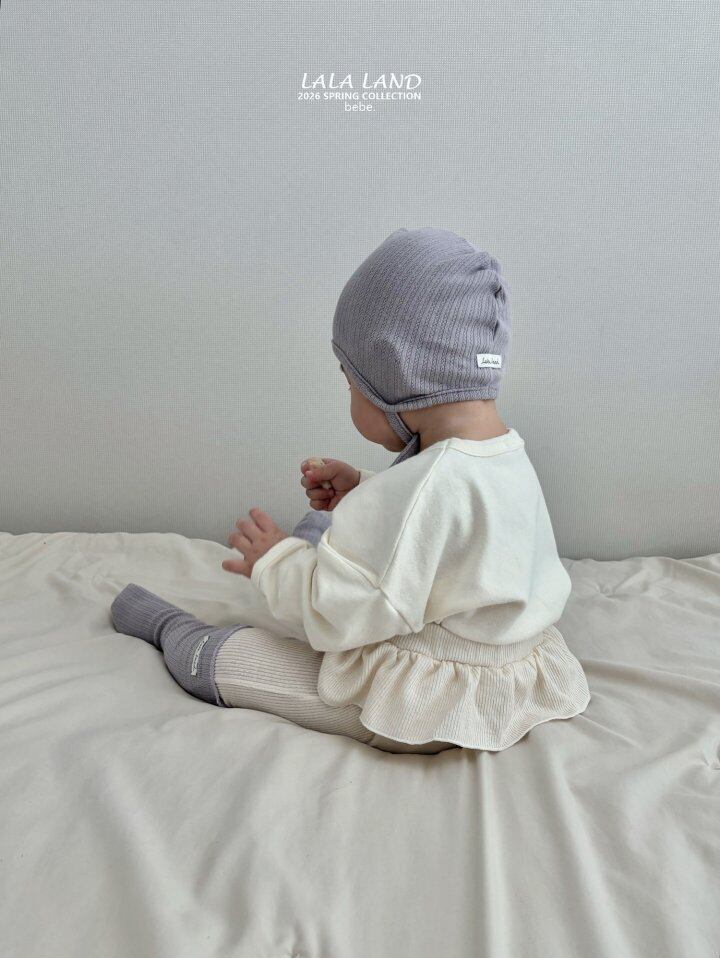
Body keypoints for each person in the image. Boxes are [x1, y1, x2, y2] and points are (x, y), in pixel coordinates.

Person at [110, 227, 591, 755]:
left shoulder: (426, 489)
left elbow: (338, 618)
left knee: (241, 662)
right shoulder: (504, 453)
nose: (349, 394)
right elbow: (453, 529)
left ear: (395, 373)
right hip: (513, 675)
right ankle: (314, 550)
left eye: (350, 381)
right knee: (331, 531)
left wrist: (273, 561)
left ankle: (177, 632)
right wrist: (365, 489)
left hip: (427, 708)